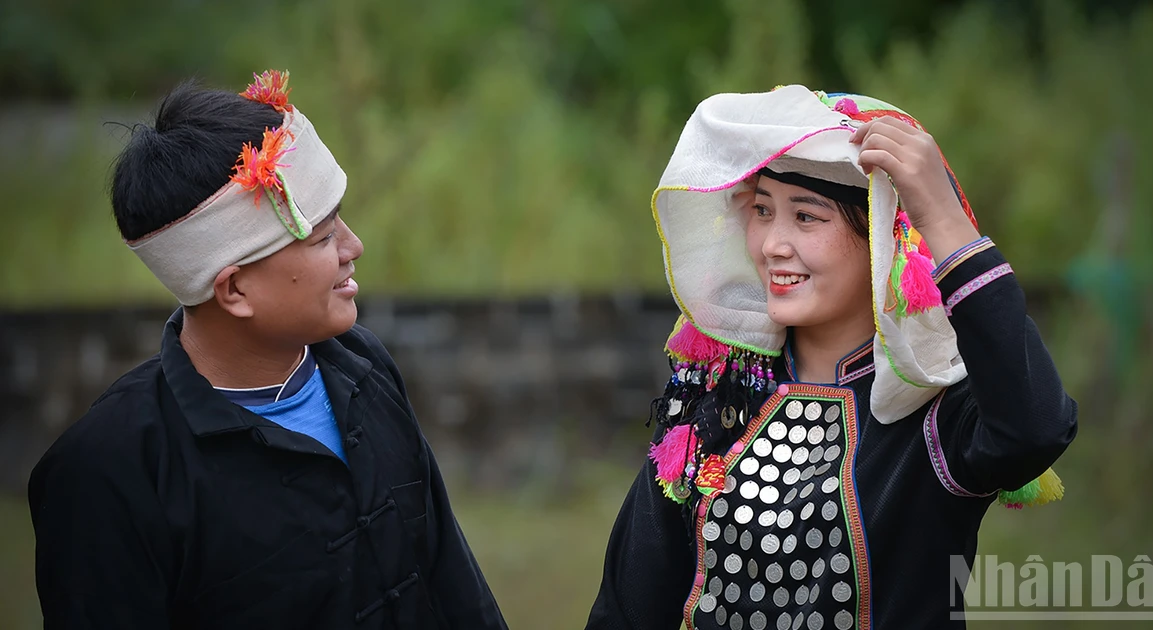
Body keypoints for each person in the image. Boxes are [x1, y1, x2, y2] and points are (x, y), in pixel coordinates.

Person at [27, 70, 507, 630]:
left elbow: (451, 581)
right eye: (324, 236)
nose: (354, 246)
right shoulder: (112, 471)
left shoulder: (362, 368)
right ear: (234, 289)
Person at [586, 86, 1078, 629]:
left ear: (879, 241)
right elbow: (629, 605)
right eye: (762, 210)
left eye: (807, 217)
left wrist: (943, 219)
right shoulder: (717, 395)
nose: (772, 243)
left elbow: (1035, 429)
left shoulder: (935, 409)